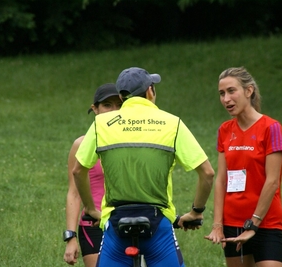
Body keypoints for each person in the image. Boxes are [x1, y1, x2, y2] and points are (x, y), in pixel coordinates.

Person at [72, 67, 214, 267]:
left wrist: (90, 209)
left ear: (122, 96)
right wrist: (196, 211)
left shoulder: (101, 124)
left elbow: (78, 171)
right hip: (159, 221)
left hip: (115, 220)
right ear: (150, 91)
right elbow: (207, 173)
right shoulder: (172, 123)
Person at [204, 67, 282, 267]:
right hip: (233, 224)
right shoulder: (225, 130)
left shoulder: (271, 128)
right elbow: (221, 180)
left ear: (249, 91)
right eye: (222, 94)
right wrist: (217, 225)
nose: (226, 99)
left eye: (232, 91)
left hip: (266, 223)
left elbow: (272, 181)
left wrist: (254, 224)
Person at [63, 83, 122, 267]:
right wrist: (70, 237)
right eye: (107, 105)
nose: (114, 111)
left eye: (119, 105)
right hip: (93, 224)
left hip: (126, 219)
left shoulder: (134, 143)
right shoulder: (81, 145)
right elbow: (74, 193)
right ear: (94, 109)